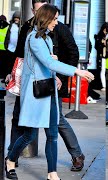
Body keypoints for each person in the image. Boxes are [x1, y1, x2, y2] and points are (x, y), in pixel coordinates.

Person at [5, 4, 94, 180]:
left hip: (50, 91)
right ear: (46, 19)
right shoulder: (34, 38)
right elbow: (48, 63)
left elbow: (49, 61)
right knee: (29, 135)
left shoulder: (45, 38)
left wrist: (54, 59)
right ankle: (10, 160)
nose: (56, 22)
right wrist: (78, 71)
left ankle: (52, 174)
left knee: (52, 134)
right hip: (36, 94)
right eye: (54, 19)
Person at [2, 11, 20, 82]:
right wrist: (6, 45)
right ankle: (6, 78)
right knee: (7, 64)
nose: (16, 19)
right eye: (15, 18)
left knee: (14, 65)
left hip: (16, 49)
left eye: (18, 18)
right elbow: (7, 35)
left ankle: (13, 79)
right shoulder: (10, 25)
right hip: (9, 48)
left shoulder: (21, 26)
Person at [94, 22, 108, 91]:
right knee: (102, 71)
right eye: (104, 30)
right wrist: (102, 44)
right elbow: (96, 46)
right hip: (102, 56)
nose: (105, 32)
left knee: (107, 71)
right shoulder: (99, 37)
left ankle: (106, 85)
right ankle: (104, 85)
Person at [0, 15, 9, 79]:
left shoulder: (8, 27)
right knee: (4, 64)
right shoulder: (8, 27)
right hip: (5, 49)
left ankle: (3, 76)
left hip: (5, 49)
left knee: (4, 64)